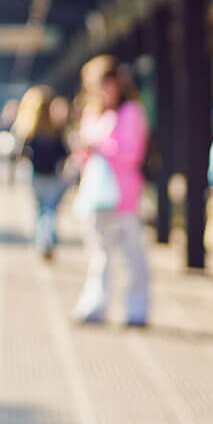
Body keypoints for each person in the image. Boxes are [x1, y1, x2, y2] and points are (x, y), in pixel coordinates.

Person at [71, 55, 152, 326]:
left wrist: (98, 145)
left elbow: (132, 152)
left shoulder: (130, 112)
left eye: (104, 84)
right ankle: (96, 305)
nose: (101, 91)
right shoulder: (92, 113)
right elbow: (85, 157)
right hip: (97, 194)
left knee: (131, 254)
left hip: (124, 194)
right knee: (100, 254)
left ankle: (136, 309)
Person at [13, 86, 70, 259]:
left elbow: (22, 152)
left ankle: (42, 241)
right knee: (50, 209)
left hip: (35, 175)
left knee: (39, 210)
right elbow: (63, 151)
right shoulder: (56, 126)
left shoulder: (28, 127)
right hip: (52, 175)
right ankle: (47, 240)